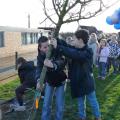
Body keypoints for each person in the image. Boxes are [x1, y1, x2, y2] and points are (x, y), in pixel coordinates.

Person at [51, 29, 101, 120]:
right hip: (78, 82)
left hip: (87, 82)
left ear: (80, 40)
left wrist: (58, 47)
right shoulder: (75, 48)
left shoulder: (88, 52)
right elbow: (67, 46)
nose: (72, 41)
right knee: (80, 102)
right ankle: (82, 117)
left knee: (93, 101)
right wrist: (57, 39)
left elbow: (75, 54)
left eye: (74, 39)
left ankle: (98, 117)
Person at [36, 36, 67, 120]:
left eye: (48, 46)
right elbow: (39, 69)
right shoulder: (40, 57)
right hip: (49, 82)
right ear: (40, 48)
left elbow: (62, 61)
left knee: (59, 104)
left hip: (61, 81)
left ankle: (58, 118)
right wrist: (39, 80)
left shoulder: (55, 49)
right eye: (44, 47)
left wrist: (54, 65)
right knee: (46, 103)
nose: (47, 49)